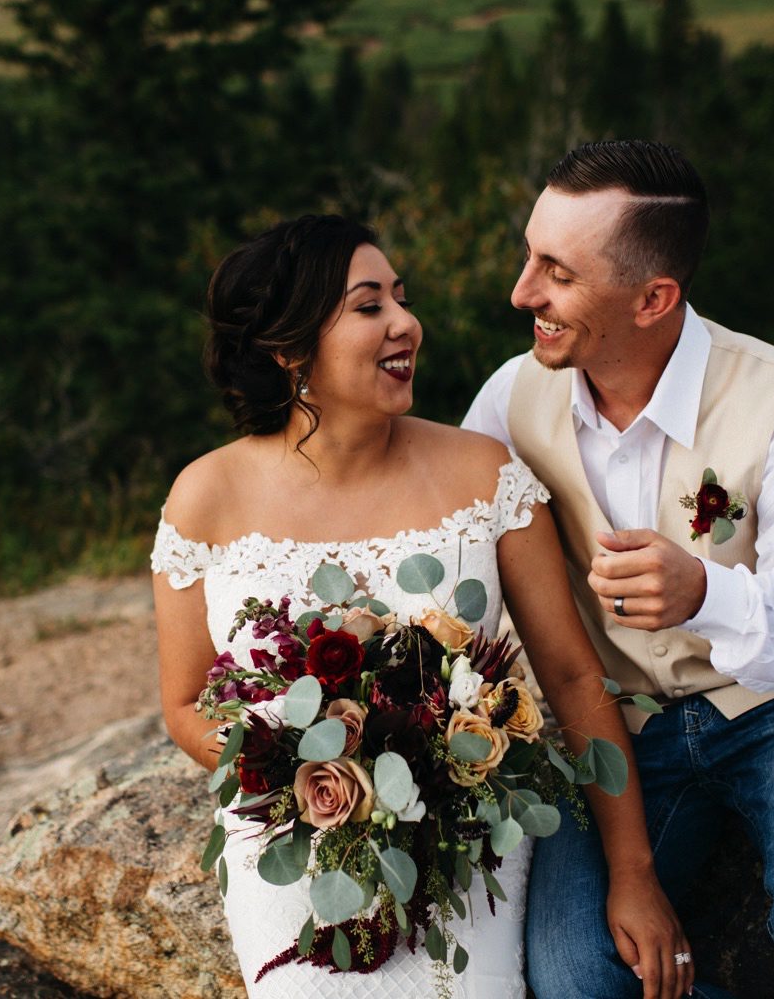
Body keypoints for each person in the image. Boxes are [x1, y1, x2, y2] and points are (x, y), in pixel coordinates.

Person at [462, 139, 774, 998]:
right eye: (528, 254)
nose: (522, 292)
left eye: (557, 271)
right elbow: (455, 555)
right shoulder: (511, 399)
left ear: (654, 297)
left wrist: (708, 593)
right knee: (578, 980)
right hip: (611, 730)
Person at [151, 215, 695, 999]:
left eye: (401, 298)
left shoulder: (483, 474)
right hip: (296, 857)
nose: (406, 322)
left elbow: (574, 680)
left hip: (467, 845)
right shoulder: (206, 494)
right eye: (370, 306)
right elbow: (182, 703)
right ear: (289, 349)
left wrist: (633, 874)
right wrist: (309, 780)